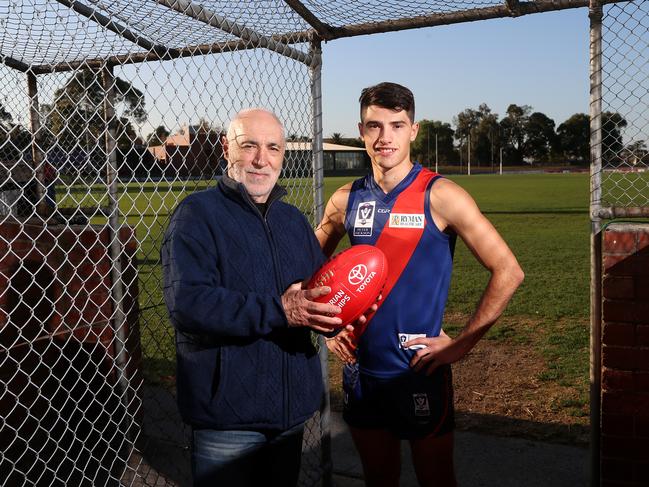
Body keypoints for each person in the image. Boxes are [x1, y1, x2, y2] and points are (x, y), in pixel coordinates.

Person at [315, 82, 524, 487]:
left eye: (397, 125)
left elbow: (509, 270)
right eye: (374, 126)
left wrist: (462, 344)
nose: (385, 137)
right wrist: (329, 327)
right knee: (379, 478)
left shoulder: (442, 195)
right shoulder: (345, 199)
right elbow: (312, 269)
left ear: (414, 130)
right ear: (361, 131)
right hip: (360, 370)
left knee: (437, 480)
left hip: (419, 369)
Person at [161, 108, 354, 487]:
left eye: (273, 148)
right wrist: (280, 310)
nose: (261, 159)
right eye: (248, 145)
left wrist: (343, 318)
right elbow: (188, 304)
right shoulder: (196, 215)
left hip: (288, 416)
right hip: (228, 419)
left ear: (284, 154)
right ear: (226, 149)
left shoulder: (293, 221)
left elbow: (320, 290)